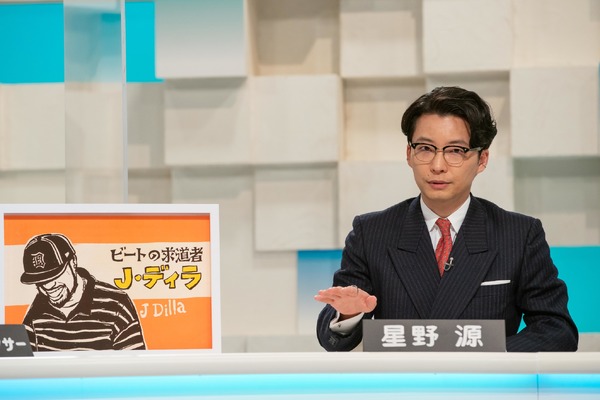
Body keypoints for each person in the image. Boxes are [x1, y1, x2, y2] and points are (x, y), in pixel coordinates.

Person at [315, 86, 578, 352]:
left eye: (455, 151)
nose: (437, 166)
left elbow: (557, 330)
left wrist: (487, 356)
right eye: (425, 148)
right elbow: (332, 340)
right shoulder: (371, 233)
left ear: (482, 159)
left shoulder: (519, 235)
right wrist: (349, 314)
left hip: (485, 378)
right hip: (403, 378)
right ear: (409, 154)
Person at [20, 233, 146, 351]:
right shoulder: (36, 310)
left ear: (73, 262)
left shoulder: (117, 304)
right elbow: (19, 363)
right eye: (40, 280)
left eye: (55, 275)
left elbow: (135, 363)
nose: (48, 286)